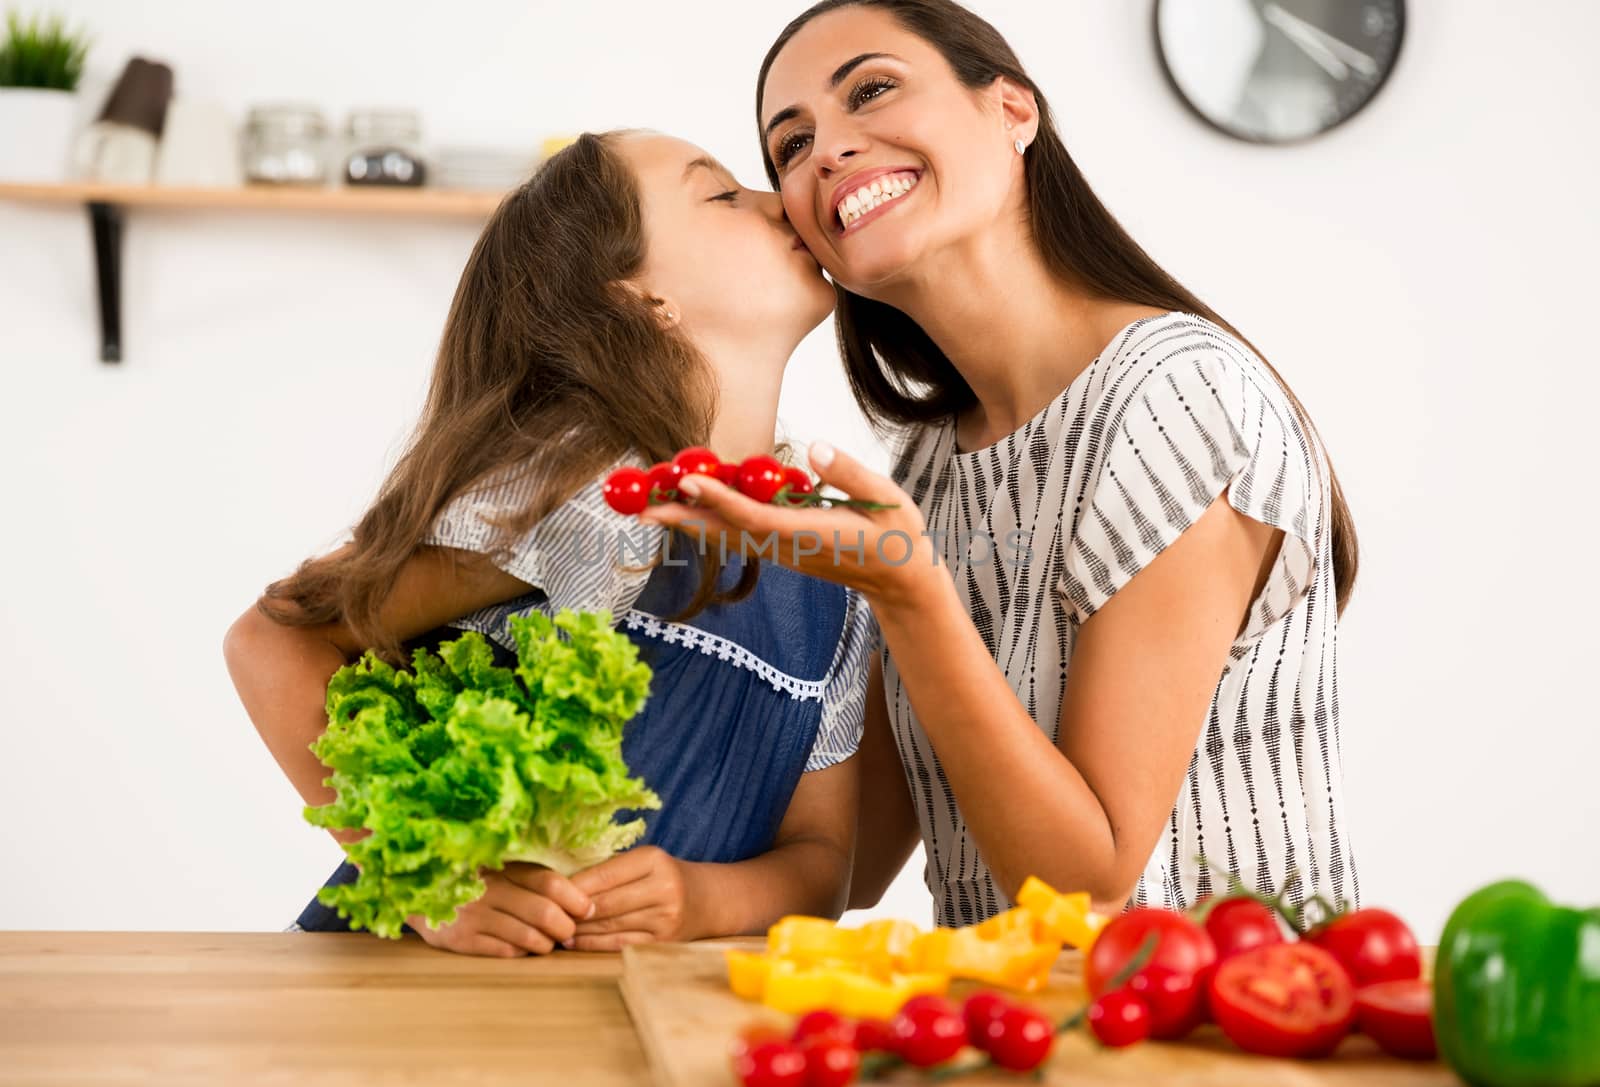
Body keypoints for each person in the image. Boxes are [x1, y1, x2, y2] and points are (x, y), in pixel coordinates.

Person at [644, 0, 1360, 928]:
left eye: (872, 90)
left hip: (1220, 1041)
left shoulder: (1179, 398)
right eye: (790, 146)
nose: (827, 152)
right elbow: (854, 857)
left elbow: (1085, 885)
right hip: (1016, 1045)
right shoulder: (929, 466)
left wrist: (907, 592)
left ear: (1013, 111)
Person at [223, 131, 874, 957]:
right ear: (642, 299)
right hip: (400, 1001)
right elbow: (272, 638)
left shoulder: (829, 559)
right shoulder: (584, 485)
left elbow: (824, 867)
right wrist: (431, 880)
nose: (779, 198)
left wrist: (702, 898)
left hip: (609, 1025)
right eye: (721, 195)